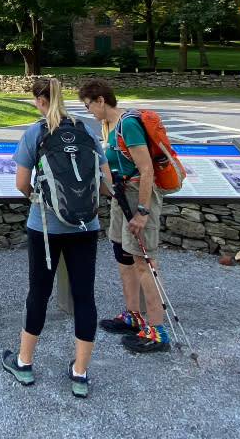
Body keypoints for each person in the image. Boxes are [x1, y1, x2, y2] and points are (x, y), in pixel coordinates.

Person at [2, 77, 108, 398]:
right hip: (85, 226)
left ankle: (24, 363)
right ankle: (79, 372)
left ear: (40, 100)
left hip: (45, 227)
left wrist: (37, 198)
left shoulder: (35, 133)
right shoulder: (85, 130)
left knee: (39, 292)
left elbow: (21, 182)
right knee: (84, 296)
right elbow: (105, 182)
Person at [78, 78, 170, 353]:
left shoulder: (128, 124)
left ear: (101, 100)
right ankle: (133, 315)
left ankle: (157, 330)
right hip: (121, 197)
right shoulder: (110, 126)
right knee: (122, 254)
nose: (88, 111)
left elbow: (147, 170)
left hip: (137, 198)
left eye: (89, 105)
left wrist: (142, 212)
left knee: (144, 261)